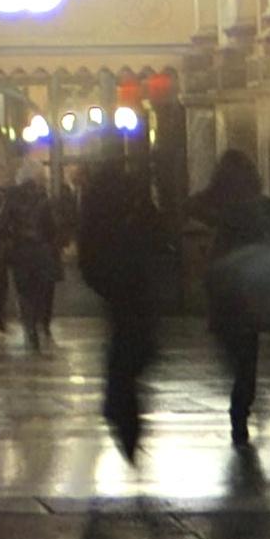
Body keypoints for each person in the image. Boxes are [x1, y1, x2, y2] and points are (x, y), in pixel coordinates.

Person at [198, 149, 270, 467]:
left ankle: (241, 411)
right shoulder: (264, 208)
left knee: (237, 359)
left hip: (227, 292)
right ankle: (241, 411)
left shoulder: (225, 211)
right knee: (246, 360)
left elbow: (193, 207)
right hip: (249, 293)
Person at [75, 143, 174, 467]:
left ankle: (120, 409)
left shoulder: (95, 196)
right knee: (136, 346)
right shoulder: (134, 192)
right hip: (137, 280)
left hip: (115, 283)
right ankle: (123, 413)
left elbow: (87, 244)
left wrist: (99, 279)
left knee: (122, 344)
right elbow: (157, 230)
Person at [3, 166, 64, 347]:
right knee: (40, 290)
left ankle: (29, 327)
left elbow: (3, 224)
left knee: (24, 292)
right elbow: (52, 226)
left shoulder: (11, 199)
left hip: (21, 252)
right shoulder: (43, 198)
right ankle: (40, 324)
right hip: (41, 251)